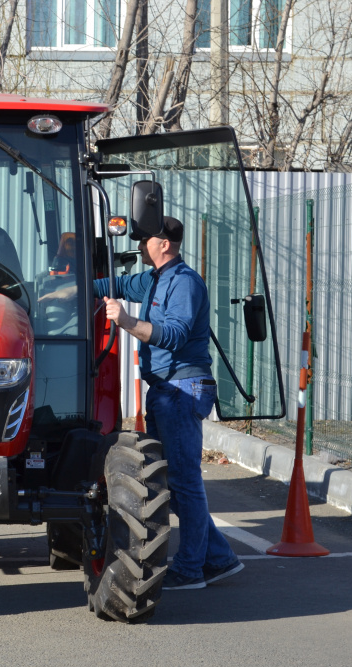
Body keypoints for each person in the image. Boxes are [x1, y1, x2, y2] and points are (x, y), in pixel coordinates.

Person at [99, 215, 244, 590]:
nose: (139, 244)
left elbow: (175, 336)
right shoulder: (153, 279)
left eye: (145, 238)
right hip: (166, 389)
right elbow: (110, 283)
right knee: (173, 484)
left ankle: (192, 568)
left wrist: (127, 321)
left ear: (164, 243)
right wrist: (68, 283)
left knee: (184, 483)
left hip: (182, 389)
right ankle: (219, 558)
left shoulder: (184, 283)